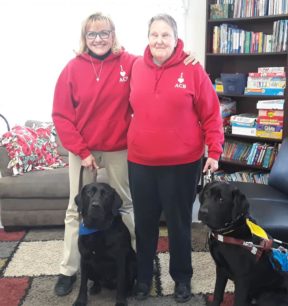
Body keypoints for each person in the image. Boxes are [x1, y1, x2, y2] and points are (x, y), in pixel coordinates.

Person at [52, 12, 197, 297]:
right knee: (75, 209)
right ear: (85, 37)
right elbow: (61, 115)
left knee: (127, 206)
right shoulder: (71, 68)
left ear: (113, 34)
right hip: (84, 149)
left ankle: (135, 266)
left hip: (119, 147)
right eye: (92, 34)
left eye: (105, 32)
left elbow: (159, 60)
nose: (99, 39)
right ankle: (68, 270)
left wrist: (184, 54)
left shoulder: (130, 62)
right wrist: (81, 151)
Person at [127, 14, 224, 303]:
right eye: (154, 34)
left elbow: (211, 113)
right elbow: (106, 53)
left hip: (182, 164)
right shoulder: (134, 66)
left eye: (165, 35)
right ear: (148, 37)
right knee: (144, 224)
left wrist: (214, 151)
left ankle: (182, 279)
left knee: (179, 224)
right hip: (141, 162)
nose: (159, 40)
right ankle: (143, 279)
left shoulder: (193, 69)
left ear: (175, 38)